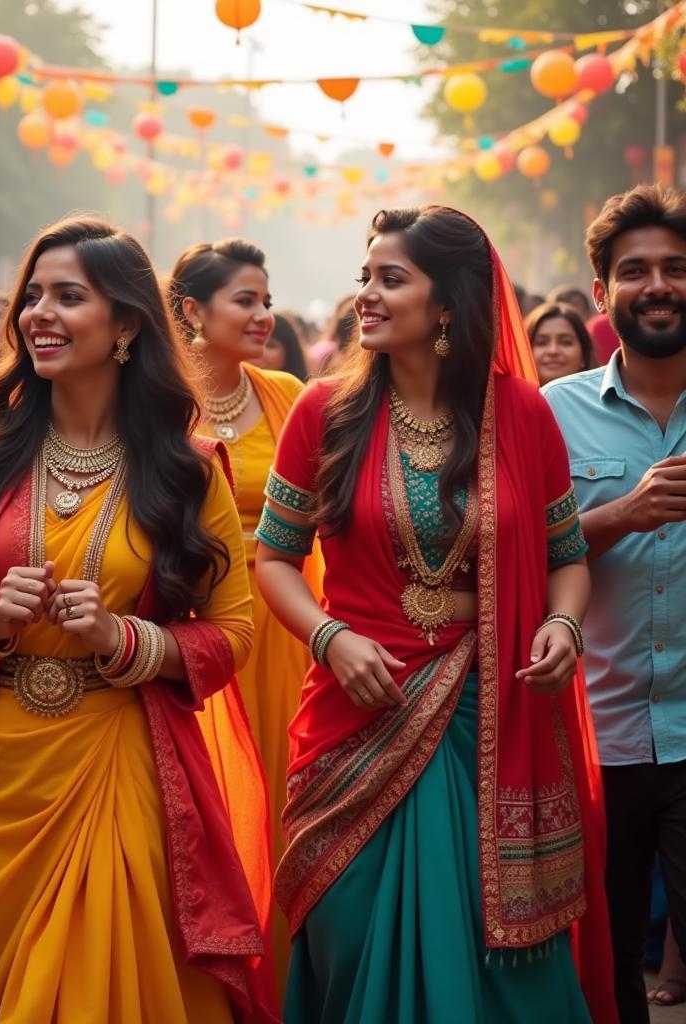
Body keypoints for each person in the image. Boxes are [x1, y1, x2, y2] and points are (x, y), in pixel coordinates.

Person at [0, 217, 277, 1024]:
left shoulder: (186, 466)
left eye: (69, 297)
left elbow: (233, 632)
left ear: (126, 323)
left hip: (120, 758)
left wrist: (124, 637)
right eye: (34, 297)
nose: (38, 314)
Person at [256, 205, 616, 1024]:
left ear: (447, 303)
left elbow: (567, 560)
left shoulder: (523, 415)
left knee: (505, 971)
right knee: (349, 938)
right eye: (365, 278)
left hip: (492, 722)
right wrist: (329, 634)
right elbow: (274, 560)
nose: (367, 298)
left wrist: (562, 626)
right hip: (358, 714)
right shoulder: (323, 413)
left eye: (392, 279)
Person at [542, 183, 686, 1024]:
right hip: (599, 736)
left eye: (676, 268)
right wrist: (619, 516)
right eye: (635, 271)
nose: (658, 285)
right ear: (602, 295)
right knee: (606, 966)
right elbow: (512, 559)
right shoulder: (552, 416)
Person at [168, 238, 318, 989]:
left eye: (266, 300)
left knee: (283, 809)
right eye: (246, 301)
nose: (264, 315)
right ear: (193, 311)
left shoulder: (285, 394)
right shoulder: (155, 402)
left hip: (284, 631)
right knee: (202, 814)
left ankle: (282, 979)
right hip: (189, 631)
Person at [526, 302, 596, 385]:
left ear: (584, 354)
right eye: (541, 343)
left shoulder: (602, 397)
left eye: (565, 342)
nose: (553, 351)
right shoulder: (509, 397)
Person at [251, 313, 308, 381]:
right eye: (254, 343)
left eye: (269, 346)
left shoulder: (299, 389)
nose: (259, 351)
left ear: (289, 351)